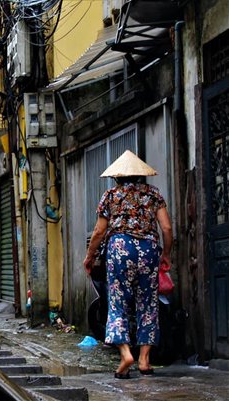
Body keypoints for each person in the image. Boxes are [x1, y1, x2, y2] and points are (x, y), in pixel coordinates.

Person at [83, 150, 173, 380]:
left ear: (117, 177)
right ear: (141, 176)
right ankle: (144, 359)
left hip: (120, 249)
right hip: (149, 250)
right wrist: (166, 254)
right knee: (148, 303)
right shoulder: (153, 194)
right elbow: (166, 228)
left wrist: (90, 256)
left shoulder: (111, 195)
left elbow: (99, 231)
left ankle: (125, 355)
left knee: (118, 301)